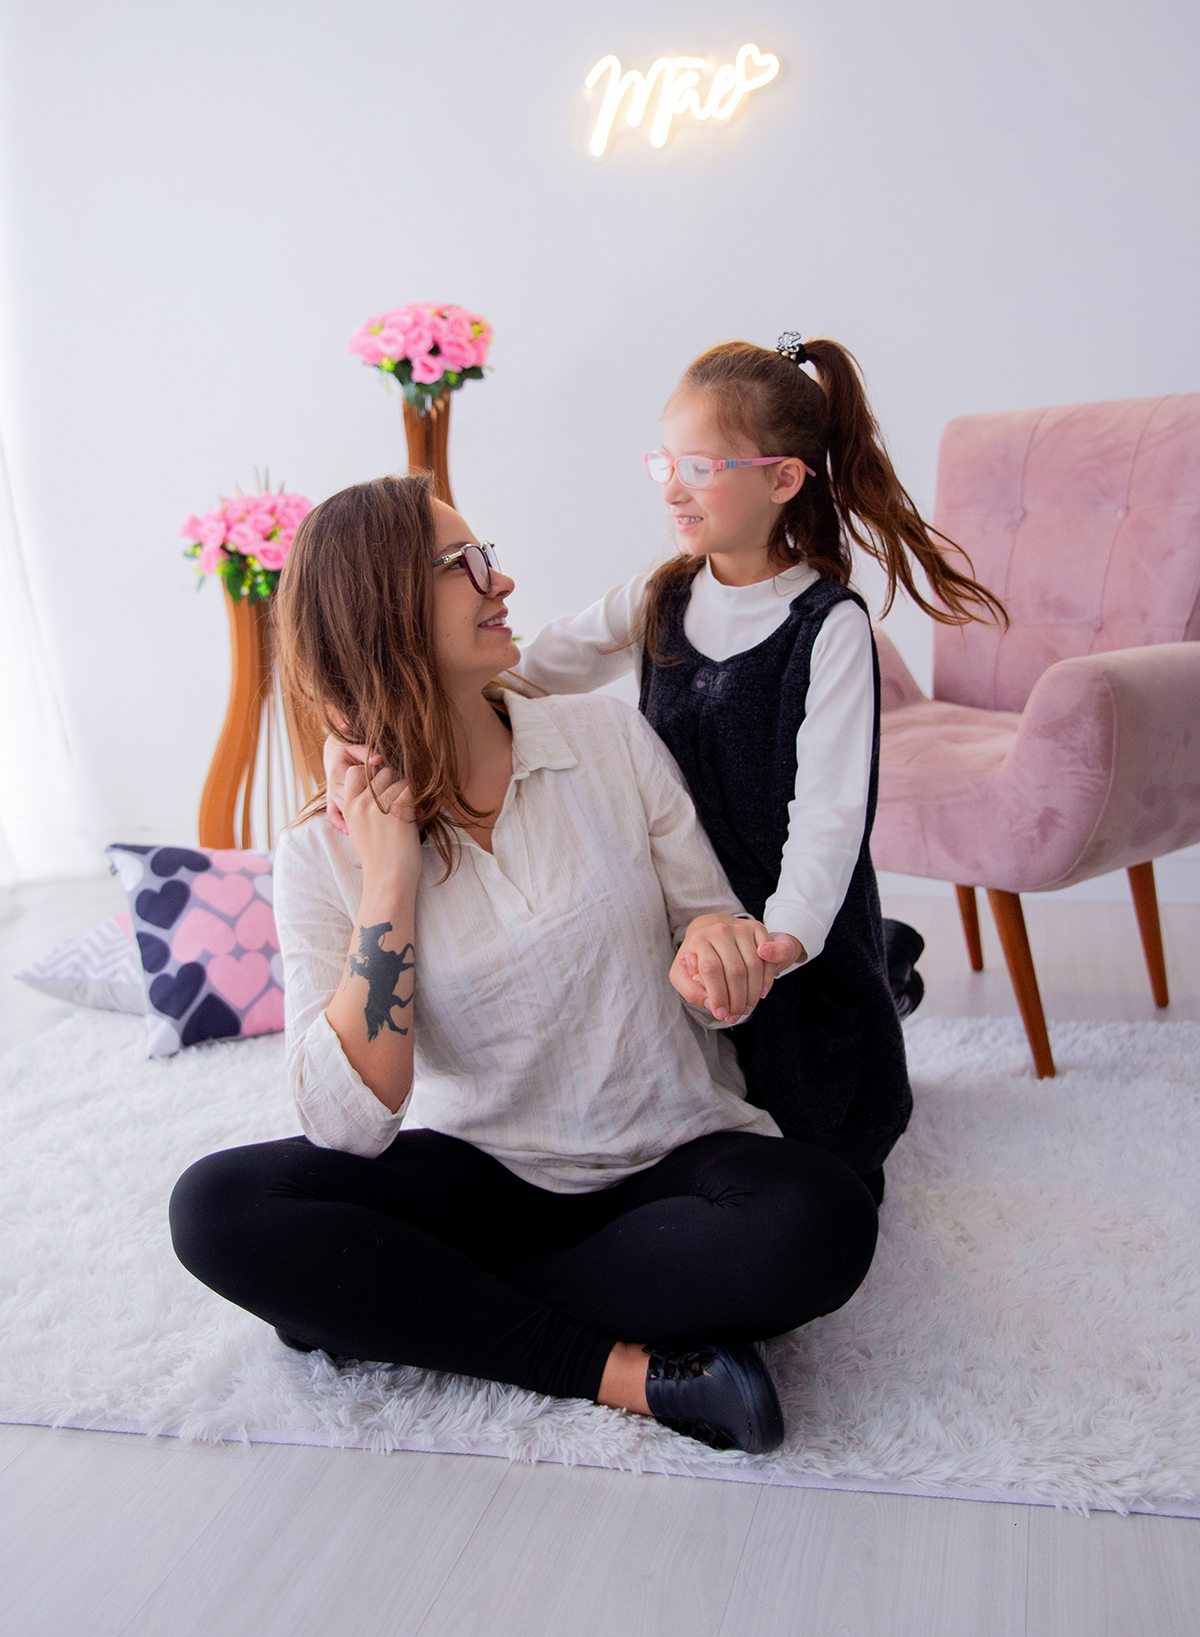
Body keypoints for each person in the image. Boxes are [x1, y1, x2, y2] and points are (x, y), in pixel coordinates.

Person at [169, 473, 880, 1456]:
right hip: (486, 1172)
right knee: (218, 1210)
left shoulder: (603, 737)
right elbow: (348, 1124)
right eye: (464, 565)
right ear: (383, 607)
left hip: (672, 1156)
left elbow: (708, 926)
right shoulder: (322, 854)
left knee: (822, 1221)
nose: (500, 583)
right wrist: (387, 878)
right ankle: (623, 1374)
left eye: (487, 557)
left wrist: (719, 950)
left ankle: (404, 1306)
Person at [326, 334, 1006, 1200]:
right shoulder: (664, 594)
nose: (675, 488)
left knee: (827, 1148)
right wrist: (371, 724)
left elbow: (832, 815)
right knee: (713, 1095)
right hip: (683, 896)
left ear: (782, 479)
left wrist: (783, 938)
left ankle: (881, 975)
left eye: (702, 466)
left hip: (779, 904)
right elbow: (526, 671)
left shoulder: (828, 628)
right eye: (666, 463)